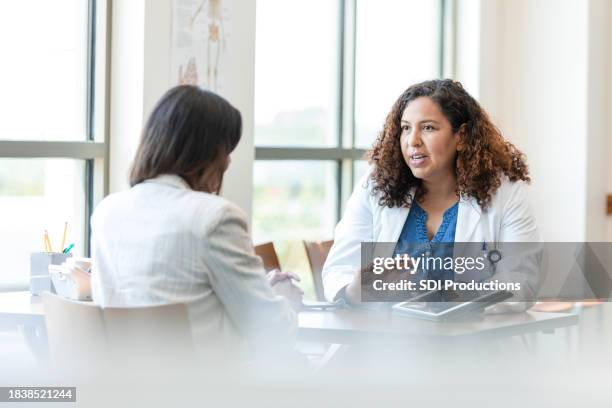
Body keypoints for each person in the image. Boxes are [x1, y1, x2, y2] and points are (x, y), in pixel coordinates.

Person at [90, 85, 302, 367]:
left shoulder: (107, 213)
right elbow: (269, 329)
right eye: (226, 150)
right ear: (208, 152)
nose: (228, 161)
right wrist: (285, 301)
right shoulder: (214, 217)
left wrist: (262, 290)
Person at [322, 79, 542, 310]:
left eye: (428, 128)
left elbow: (521, 280)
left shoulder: (505, 193)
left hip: (471, 339)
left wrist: (458, 303)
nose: (413, 141)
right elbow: (339, 270)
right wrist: (356, 291)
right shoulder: (375, 186)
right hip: (385, 339)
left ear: (462, 137)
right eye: (406, 128)